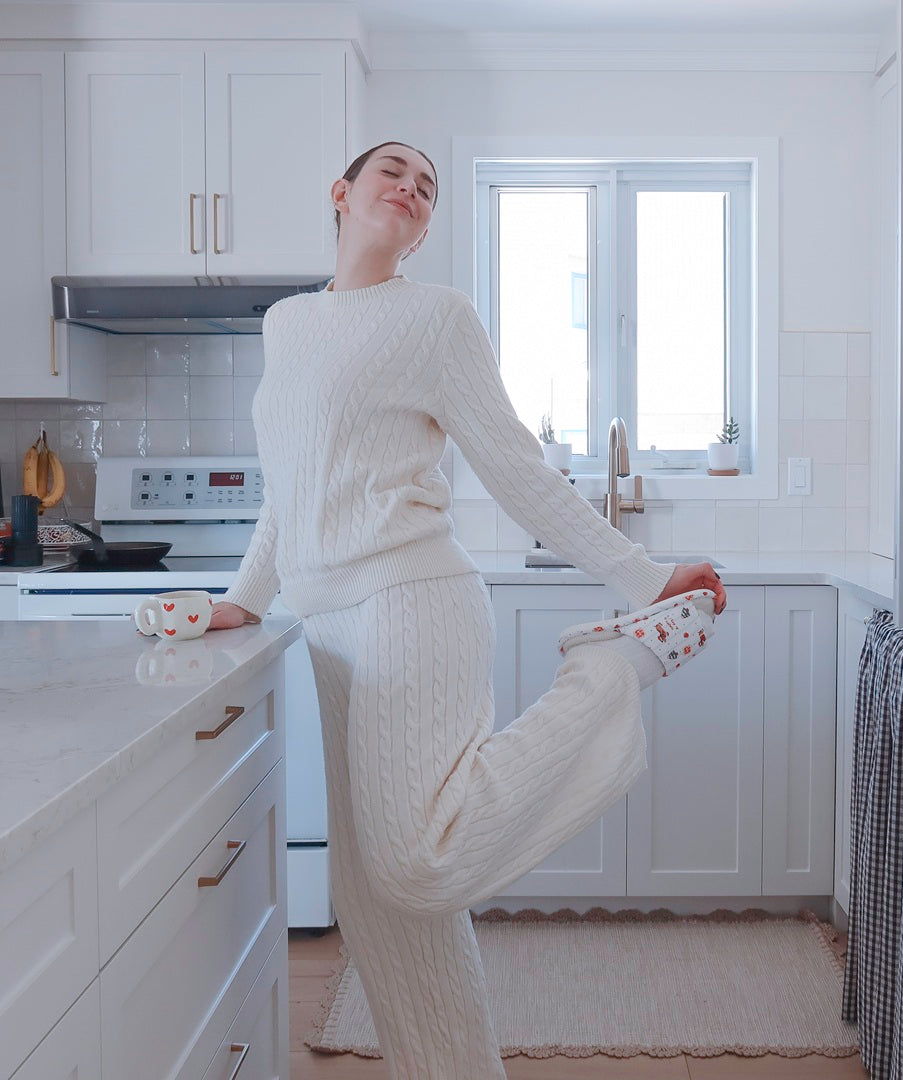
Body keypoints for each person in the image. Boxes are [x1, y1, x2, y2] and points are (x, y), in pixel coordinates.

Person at [207, 140, 728, 1080]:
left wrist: (642, 580)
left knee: (416, 865)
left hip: (412, 596)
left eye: (428, 188)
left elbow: (514, 470)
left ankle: (611, 670)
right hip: (326, 625)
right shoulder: (286, 324)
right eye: (392, 174)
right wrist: (244, 600)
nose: (411, 190)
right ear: (341, 193)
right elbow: (289, 486)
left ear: (425, 226)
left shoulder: (438, 320)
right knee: (381, 912)